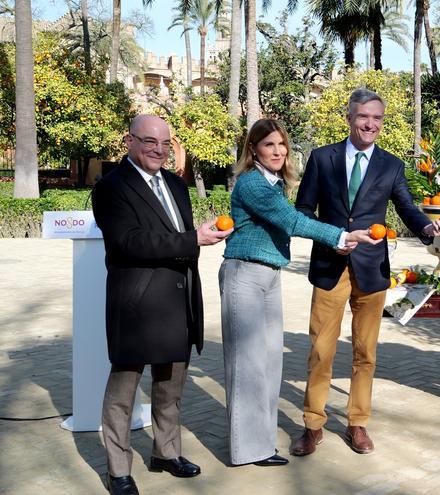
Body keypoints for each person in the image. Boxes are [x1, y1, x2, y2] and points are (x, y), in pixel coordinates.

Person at [291, 89, 440, 456]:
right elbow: (302, 210)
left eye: (377, 118)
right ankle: (313, 425)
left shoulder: (391, 165)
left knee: (366, 352)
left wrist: (427, 228)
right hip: (331, 264)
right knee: (320, 350)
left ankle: (357, 423)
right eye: (364, 117)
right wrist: (332, 236)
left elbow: (407, 207)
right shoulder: (322, 158)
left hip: (371, 268)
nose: (370, 124)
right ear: (349, 118)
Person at [219, 119, 380, 467]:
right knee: (246, 367)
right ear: (253, 150)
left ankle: (261, 445)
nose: (277, 151)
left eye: (281, 145)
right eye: (268, 145)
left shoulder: (273, 184)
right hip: (244, 274)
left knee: (270, 363)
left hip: (269, 275)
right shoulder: (252, 185)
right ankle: (245, 450)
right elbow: (293, 222)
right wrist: (343, 237)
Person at [92, 115, 231, 495]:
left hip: (178, 300)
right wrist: (192, 239)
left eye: (165, 143)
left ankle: (166, 453)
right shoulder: (111, 187)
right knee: (123, 393)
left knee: (171, 388)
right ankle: (119, 469)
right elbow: (128, 242)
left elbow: (175, 235)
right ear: (129, 141)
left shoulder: (175, 184)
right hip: (137, 306)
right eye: (149, 141)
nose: (158, 149)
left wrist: (197, 237)